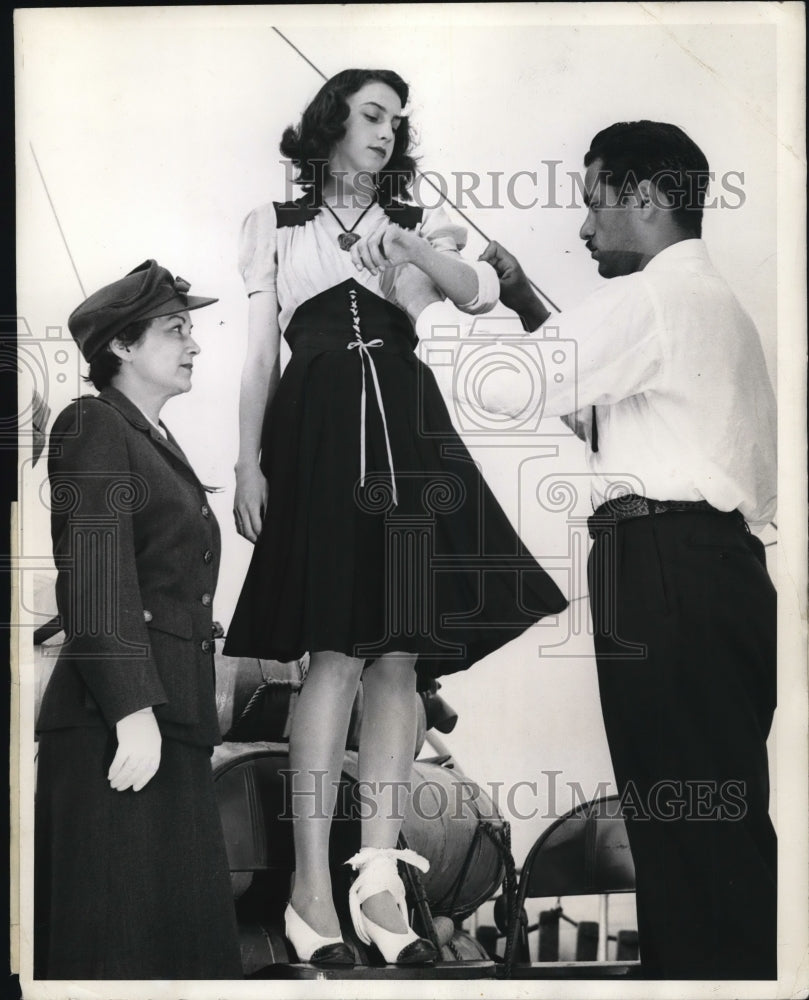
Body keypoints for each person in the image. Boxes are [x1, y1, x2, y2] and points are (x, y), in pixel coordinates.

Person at [223, 68, 567, 967]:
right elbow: (261, 357)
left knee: (401, 658)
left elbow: (476, 293)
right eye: (371, 114)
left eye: (396, 121)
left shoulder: (413, 230)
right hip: (316, 432)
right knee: (332, 653)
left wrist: (411, 249)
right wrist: (247, 461)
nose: (386, 131)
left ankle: (377, 886)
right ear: (332, 123)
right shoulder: (274, 226)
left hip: (407, 434)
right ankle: (309, 894)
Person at [477, 121, 777, 979]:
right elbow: (604, 401)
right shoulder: (704, 307)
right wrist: (518, 295)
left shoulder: (657, 300)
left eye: (593, 201)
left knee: (679, 825)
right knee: (707, 822)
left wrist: (435, 304)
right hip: (713, 572)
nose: (581, 229)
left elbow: (512, 388)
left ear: (644, 197)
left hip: (663, 570)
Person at [34, 261, 243, 980]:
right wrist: (132, 710)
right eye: (175, 329)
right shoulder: (92, 423)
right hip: (115, 726)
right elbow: (93, 575)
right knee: (117, 951)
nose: (195, 344)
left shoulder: (152, 439)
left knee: (176, 953)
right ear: (122, 346)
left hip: (171, 721)